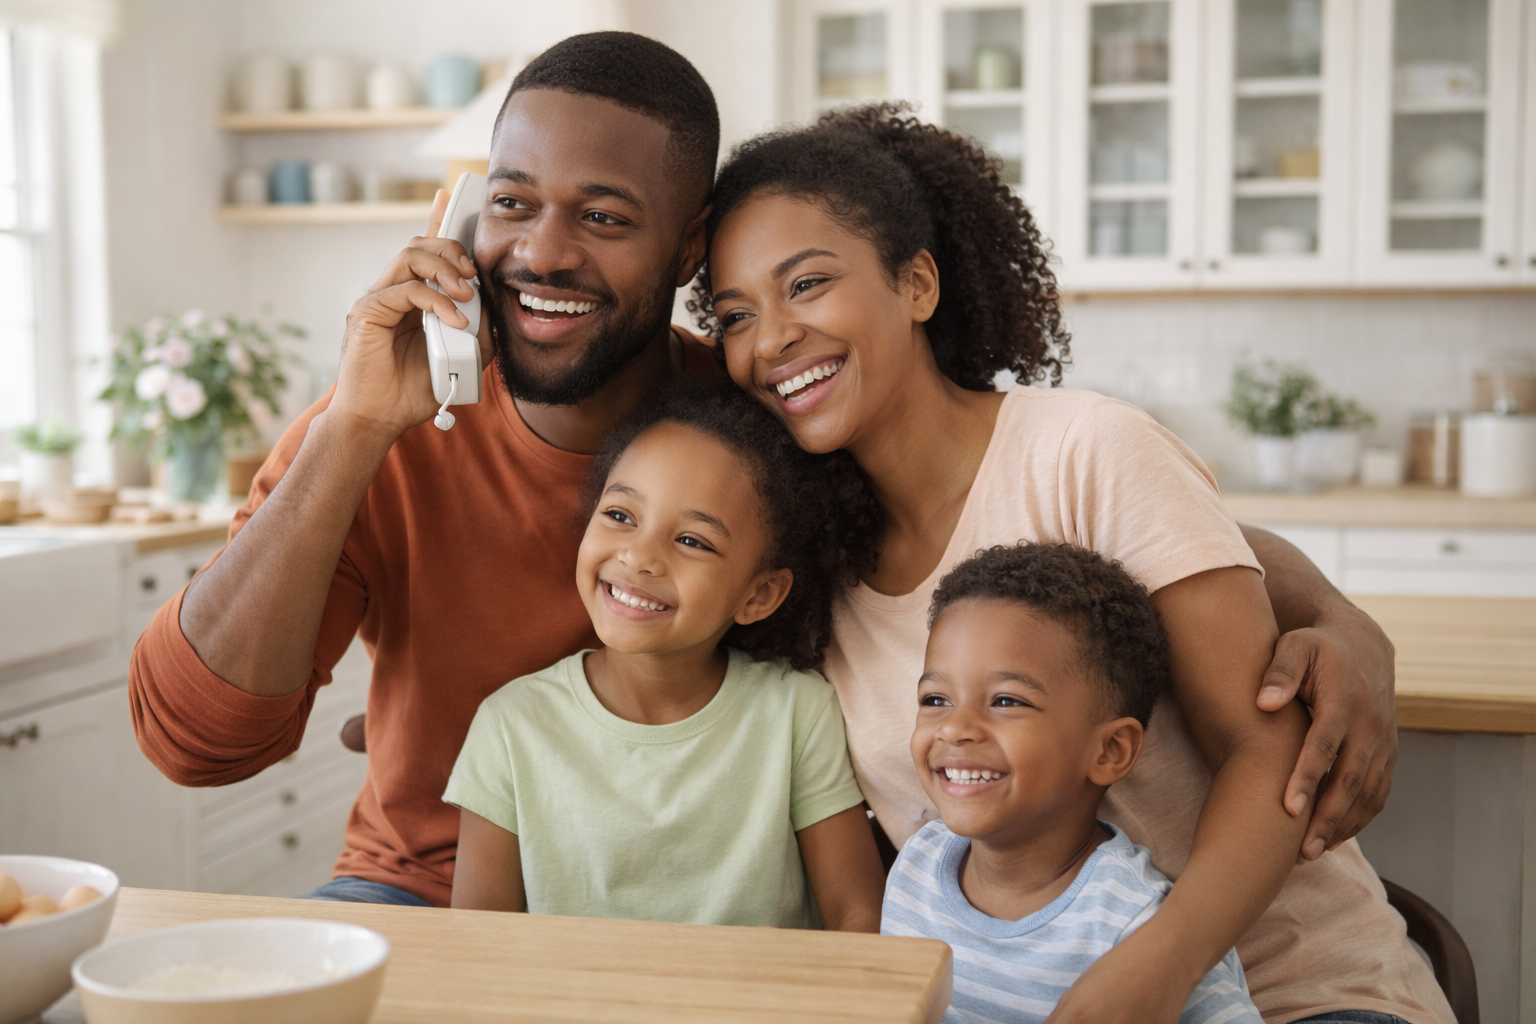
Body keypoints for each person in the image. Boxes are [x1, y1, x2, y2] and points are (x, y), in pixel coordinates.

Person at [130, 30, 1393, 922]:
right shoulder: (376, 420)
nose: (543, 251)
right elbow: (193, 746)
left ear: (680, 249)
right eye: (511, 203)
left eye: (606, 217)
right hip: (425, 882)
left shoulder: (757, 421)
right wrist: (352, 433)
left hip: (717, 906)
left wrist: (1333, 614)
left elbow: (1062, 510)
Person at [697, 104, 1448, 1024]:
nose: (769, 338)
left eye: (806, 284)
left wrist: (1152, 973)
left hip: (1297, 993)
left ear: (918, 283)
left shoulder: (1086, 452)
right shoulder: (807, 580)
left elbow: (1265, 750)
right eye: (735, 315)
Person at [445, 382, 884, 929]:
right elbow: (478, 942)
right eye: (621, 516)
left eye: (693, 541)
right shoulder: (510, 726)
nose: (639, 556)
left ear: (759, 595)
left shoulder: (798, 713)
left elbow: (857, 915)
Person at [882, 542, 1263, 1024]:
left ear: (1110, 751)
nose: (956, 728)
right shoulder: (916, 866)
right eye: (936, 699)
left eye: (1005, 702)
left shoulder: (1135, 922)